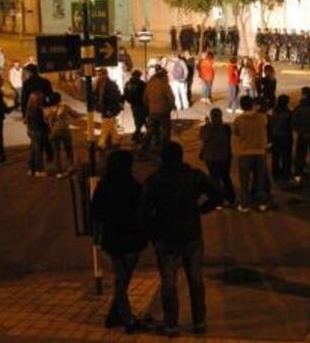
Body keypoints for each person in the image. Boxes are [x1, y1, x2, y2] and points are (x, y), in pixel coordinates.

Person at [140, 142, 222, 337]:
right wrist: (200, 210)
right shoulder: (194, 176)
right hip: (191, 233)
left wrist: (152, 233)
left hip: (166, 235)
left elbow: (143, 211)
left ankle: (171, 324)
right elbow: (218, 195)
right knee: (195, 279)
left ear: (162, 158)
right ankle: (199, 322)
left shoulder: (155, 180)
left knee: (169, 282)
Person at [90, 151, 149, 334]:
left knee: (121, 280)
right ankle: (127, 319)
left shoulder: (104, 187)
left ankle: (114, 316)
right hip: (132, 240)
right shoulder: (134, 187)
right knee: (122, 281)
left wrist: (97, 237)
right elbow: (143, 212)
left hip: (113, 240)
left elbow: (96, 213)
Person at [232, 96, 269, 212]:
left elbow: (235, 133)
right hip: (260, 152)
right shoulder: (262, 118)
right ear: (252, 105)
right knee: (260, 179)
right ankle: (261, 203)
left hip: (245, 153)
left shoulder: (238, 120)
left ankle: (244, 204)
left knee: (244, 181)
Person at [199, 108, 235, 207]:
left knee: (215, 178)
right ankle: (231, 198)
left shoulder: (207, 128)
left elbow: (204, 139)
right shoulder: (226, 128)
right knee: (225, 177)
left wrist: (207, 125)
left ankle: (218, 199)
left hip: (211, 157)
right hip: (224, 156)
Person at [43, 92, 81, 178]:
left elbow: (45, 121)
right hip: (64, 130)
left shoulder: (46, 110)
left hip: (53, 132)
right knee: (68, 150)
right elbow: (76, 115)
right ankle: (70, 167)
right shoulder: (64, 107)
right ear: (59, 99)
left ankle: (59, 172)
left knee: (56, 152)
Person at [143, 67, 175, 152]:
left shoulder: (149, 85)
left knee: (153, 129)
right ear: (163, 76)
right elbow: (171, 97)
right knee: (165, 129)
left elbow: (145, 98)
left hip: (152, 111)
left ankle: (153, 145)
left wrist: (150, 106)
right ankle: (166, 147)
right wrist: (172, 106)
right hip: (163, 110)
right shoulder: (164, 85)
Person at [95, 68, 123, 149]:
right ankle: (116, 140)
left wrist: (110, 109)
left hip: (108, 108)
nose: (99, 76)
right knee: (110, 125)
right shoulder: (99, 84)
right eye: (98, 75)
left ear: (105, 75)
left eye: (100, 75)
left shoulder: (111, 85)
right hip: (104, 108)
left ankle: (101, 144)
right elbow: (97, 95)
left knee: (105, 126)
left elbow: (114, 98)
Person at [269, 94, 293, 182]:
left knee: (276, 156)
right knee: (286, 156)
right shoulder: (289, 113)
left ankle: (275, 173)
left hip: (275, 136)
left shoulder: (273, 112)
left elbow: (270, 124)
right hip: (286, 136)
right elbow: (291, 125)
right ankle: (286, 173)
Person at [24, 91, 48, 177]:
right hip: (38, 131)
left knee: (33, 151)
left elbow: (27, 121)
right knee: (39, 151)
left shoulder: (29, 109)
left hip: (31, 131)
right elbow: (41, 122)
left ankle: (31, 169)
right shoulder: (38, 110)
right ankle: (39, 170)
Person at [123, 70, 147, 143]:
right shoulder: (141, 84)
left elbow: (125, 94)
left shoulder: (128, 84)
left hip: (133, 104)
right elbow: (146, 94)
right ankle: (136, 135)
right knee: (142, 119)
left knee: (138, 119)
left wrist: (128, 100)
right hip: (141, 104)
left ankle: (138, 135)